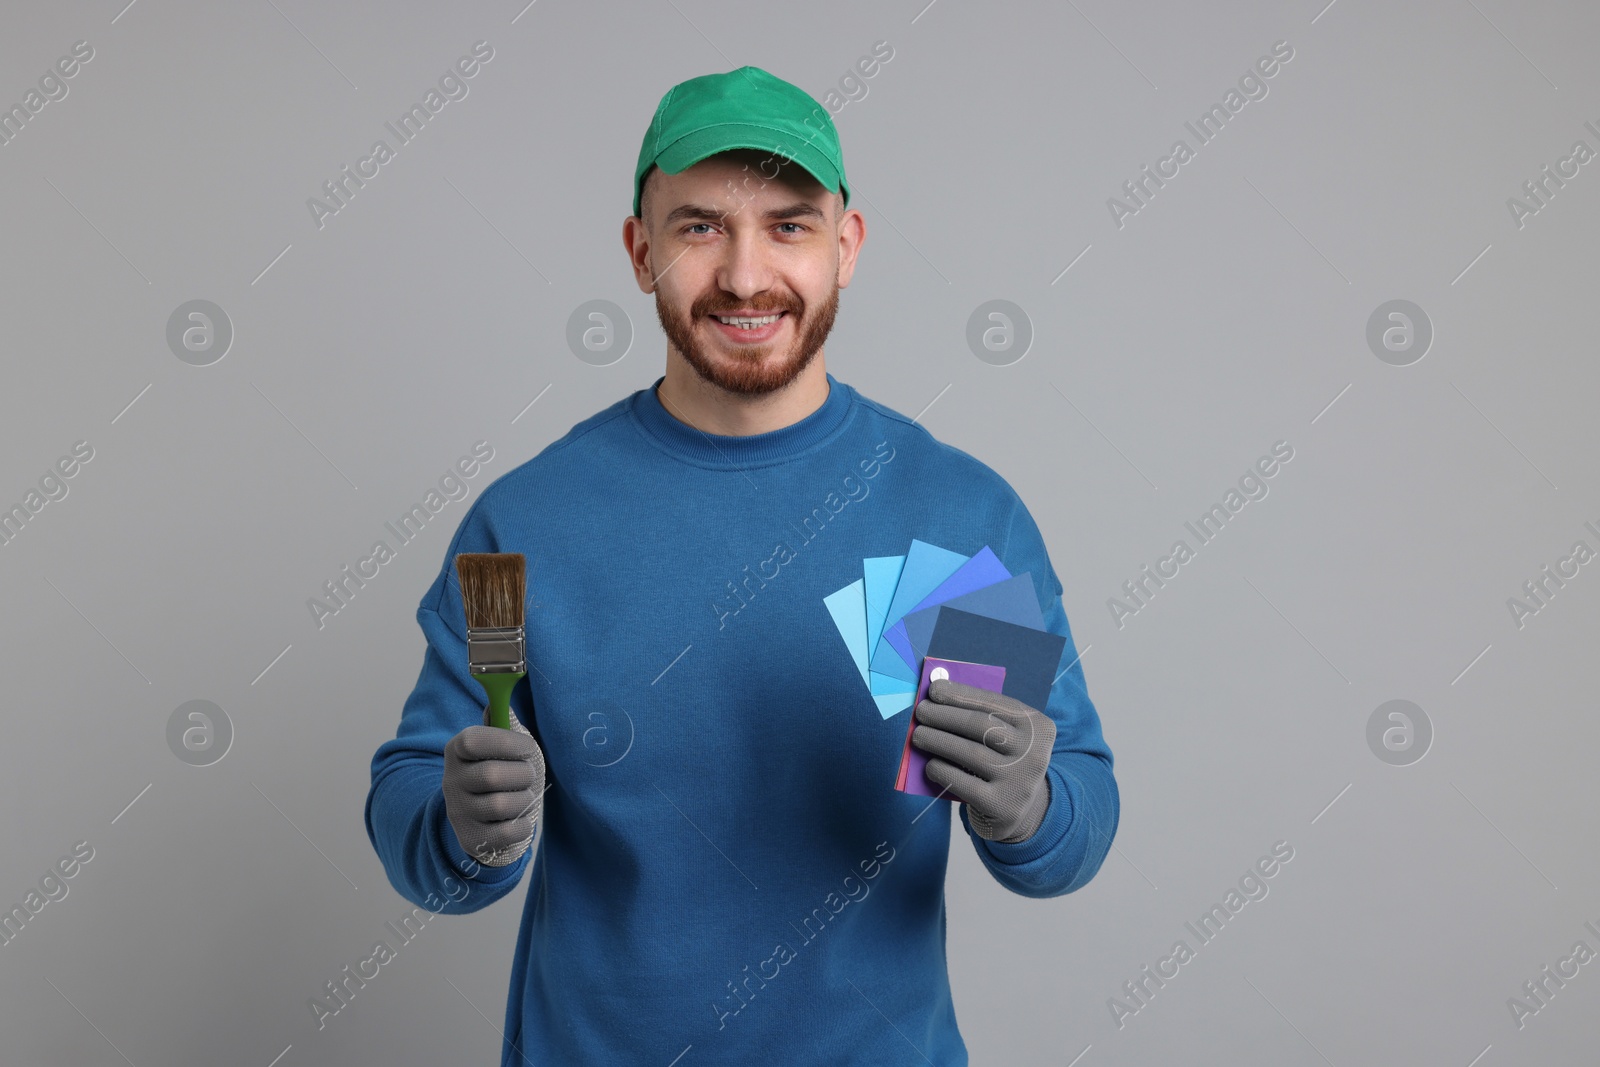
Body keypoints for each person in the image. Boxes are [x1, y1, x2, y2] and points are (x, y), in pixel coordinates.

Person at [365, 64, 1118, 1065]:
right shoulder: (528, 523)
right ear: (640, 251)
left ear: (845, 246)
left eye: (789, 225)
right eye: (699, 226)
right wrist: (465, 829)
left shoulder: (945, 521)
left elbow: (1066, 835)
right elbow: (428, 834)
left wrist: (1031, 807)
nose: (746, 275)